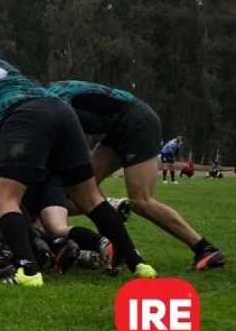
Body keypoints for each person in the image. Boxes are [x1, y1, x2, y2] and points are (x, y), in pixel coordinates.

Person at [0, 45, 156, 286]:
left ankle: (27, 271)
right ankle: (139, 263)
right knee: (91, 198)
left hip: (24, 115)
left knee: (3, 200)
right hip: (61, 110)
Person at [48, 80, 226, 271]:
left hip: (136, 121)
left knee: (142, 201)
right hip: (121, 124)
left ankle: (205, 248)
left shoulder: (51, 103)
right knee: (82, 193)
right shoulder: (48, 97)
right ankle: (114, 234)